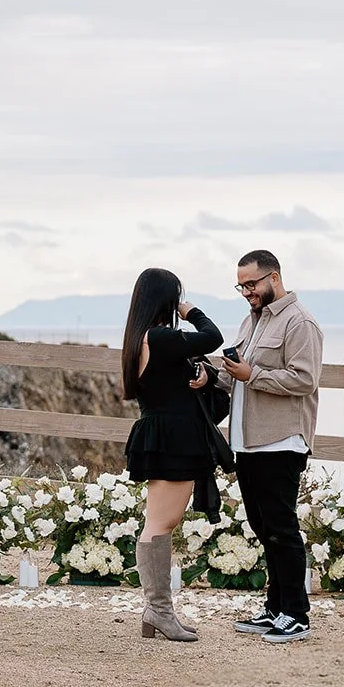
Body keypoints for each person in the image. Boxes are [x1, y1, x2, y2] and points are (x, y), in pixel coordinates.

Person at [216, 249, 322, 644]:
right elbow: (240, 376)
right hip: (248, 441)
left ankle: (297, 614)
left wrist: (251, 373)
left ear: (273, 278)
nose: (246, 292)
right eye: (240, 285)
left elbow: (304, 380)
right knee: (263, 527)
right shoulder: (251, 320)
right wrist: (217, 377)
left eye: (251, 284)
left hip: (281, 440)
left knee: (282, 527)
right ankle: (276, 609)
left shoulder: (301, 322)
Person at [121, 267, 223, 642]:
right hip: (173, 439)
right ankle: (158, 609)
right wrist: (191, 310)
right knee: (161, 524)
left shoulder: (139, 339)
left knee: (159, 522)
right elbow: (212, 337)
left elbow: (172, 379)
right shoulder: (159, 337)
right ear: (165, 299)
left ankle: (158, 610)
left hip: (162, 434)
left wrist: (202, 377)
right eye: (175, 296)